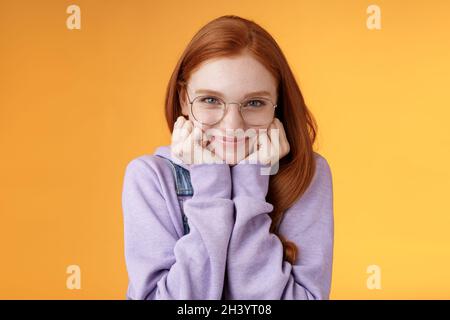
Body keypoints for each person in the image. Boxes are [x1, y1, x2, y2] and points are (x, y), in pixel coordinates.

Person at [121, 15, 334, 300]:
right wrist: (210, 182)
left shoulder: (309, 173)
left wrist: (252, 178)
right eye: (210, 100)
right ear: (184, 99)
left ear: (277, 106)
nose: (233, 125)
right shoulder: (149, 178)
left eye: (254, 103)